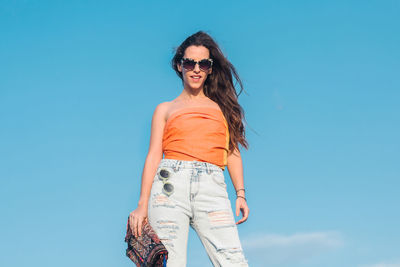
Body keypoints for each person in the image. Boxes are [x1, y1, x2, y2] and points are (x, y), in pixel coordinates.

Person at [129, 31, 250, 267]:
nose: (196, 69)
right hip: (169, 186)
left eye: (203, 63)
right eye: (189, 62)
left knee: (233, 261)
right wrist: (142, 204)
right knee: (171, 262)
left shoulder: (223, 109)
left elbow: (232, 152)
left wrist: (241, 194)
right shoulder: (165, 109)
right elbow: (154, 155)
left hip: (212, 185)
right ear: (179, 65)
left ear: (210, 68)